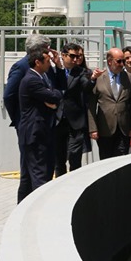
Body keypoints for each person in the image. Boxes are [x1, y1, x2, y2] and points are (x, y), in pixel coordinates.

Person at [15, 46, 63, 202]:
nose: (50, 64)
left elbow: (58, 91)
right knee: (39, 175)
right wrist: (54, 96)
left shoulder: (42, 77)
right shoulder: (32, 80)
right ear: (37, 62)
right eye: (48, 61)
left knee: (32, 175)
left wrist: (53, 94)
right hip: (35, 134)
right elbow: (55, 96)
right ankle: (39, 208)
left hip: (42, 132)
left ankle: (22, 207)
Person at [87, 47, 131, 160]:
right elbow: (91, 105)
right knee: (106, 161)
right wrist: (93, 128)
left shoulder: (129, 78)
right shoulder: (99, 78)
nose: (122, 64)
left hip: (123, 129)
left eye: (123, 61)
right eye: (119, 61)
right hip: (105, 129)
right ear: (110, 61)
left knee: (121, 160)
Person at [52, 42, 90, 176]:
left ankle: (75, 182)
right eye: (72, 56)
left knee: (74, 157)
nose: (75, 59)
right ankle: (60, 184)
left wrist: (92, 80)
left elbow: (86, 85)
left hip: (75, 122)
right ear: (63, 55)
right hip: (58, 120)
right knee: (59, 159)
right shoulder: (53, 72)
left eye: (77, 56)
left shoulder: (81, 72)